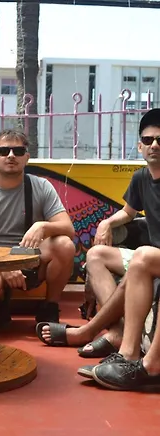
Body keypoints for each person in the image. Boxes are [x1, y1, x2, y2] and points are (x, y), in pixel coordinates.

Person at [0, 129, 75, 323]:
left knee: (65, 245)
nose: (11, 156)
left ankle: (50, 307)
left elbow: (68, 228)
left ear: (26, 157)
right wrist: (2, 265)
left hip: (29, 258)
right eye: (3, 151)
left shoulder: (41, 186)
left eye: (18, 151)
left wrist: (43, 227)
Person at [87, 108, 160, 390]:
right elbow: (129, 212)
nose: (155, 145)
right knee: (96, 255)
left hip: (151, 257)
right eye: (148, 140)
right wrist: (106, 222)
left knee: (142, 256)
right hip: (152, 257)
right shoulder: (141, 178)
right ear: (140, 146)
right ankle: (119, 336)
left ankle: (143, 361)